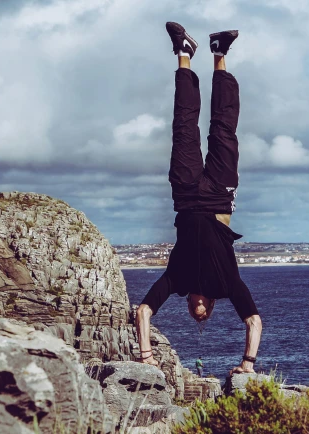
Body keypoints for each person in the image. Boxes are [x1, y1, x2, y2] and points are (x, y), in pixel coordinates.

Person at [135, 22, 262, 376]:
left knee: (184, 126)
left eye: (195, 311)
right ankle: (219, 53)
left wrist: (145, 358)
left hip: (187, 194)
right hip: (220, 197)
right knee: (224, 128)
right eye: (203, 311)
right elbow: (253, 321)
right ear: (211, 305)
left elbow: (143, 312)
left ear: (190, 304)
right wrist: (247, 365)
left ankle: (184, 53)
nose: (199, 310)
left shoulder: (176, 279)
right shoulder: (227, 284)